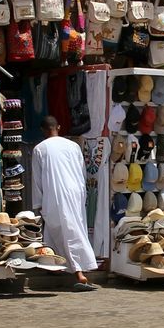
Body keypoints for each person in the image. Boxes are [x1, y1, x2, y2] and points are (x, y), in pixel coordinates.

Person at [31, 116, 99, 291]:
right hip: (75, 191)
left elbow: (37, 180)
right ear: (59, 127)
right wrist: (81, 194)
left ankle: (79, 273)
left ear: (43, 130)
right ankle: (54, 266)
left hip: (55, 193)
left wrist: (38, 204)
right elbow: (82, 172)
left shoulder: (39, 149)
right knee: (67, 229)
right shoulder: (73, 146)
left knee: (67, 232)